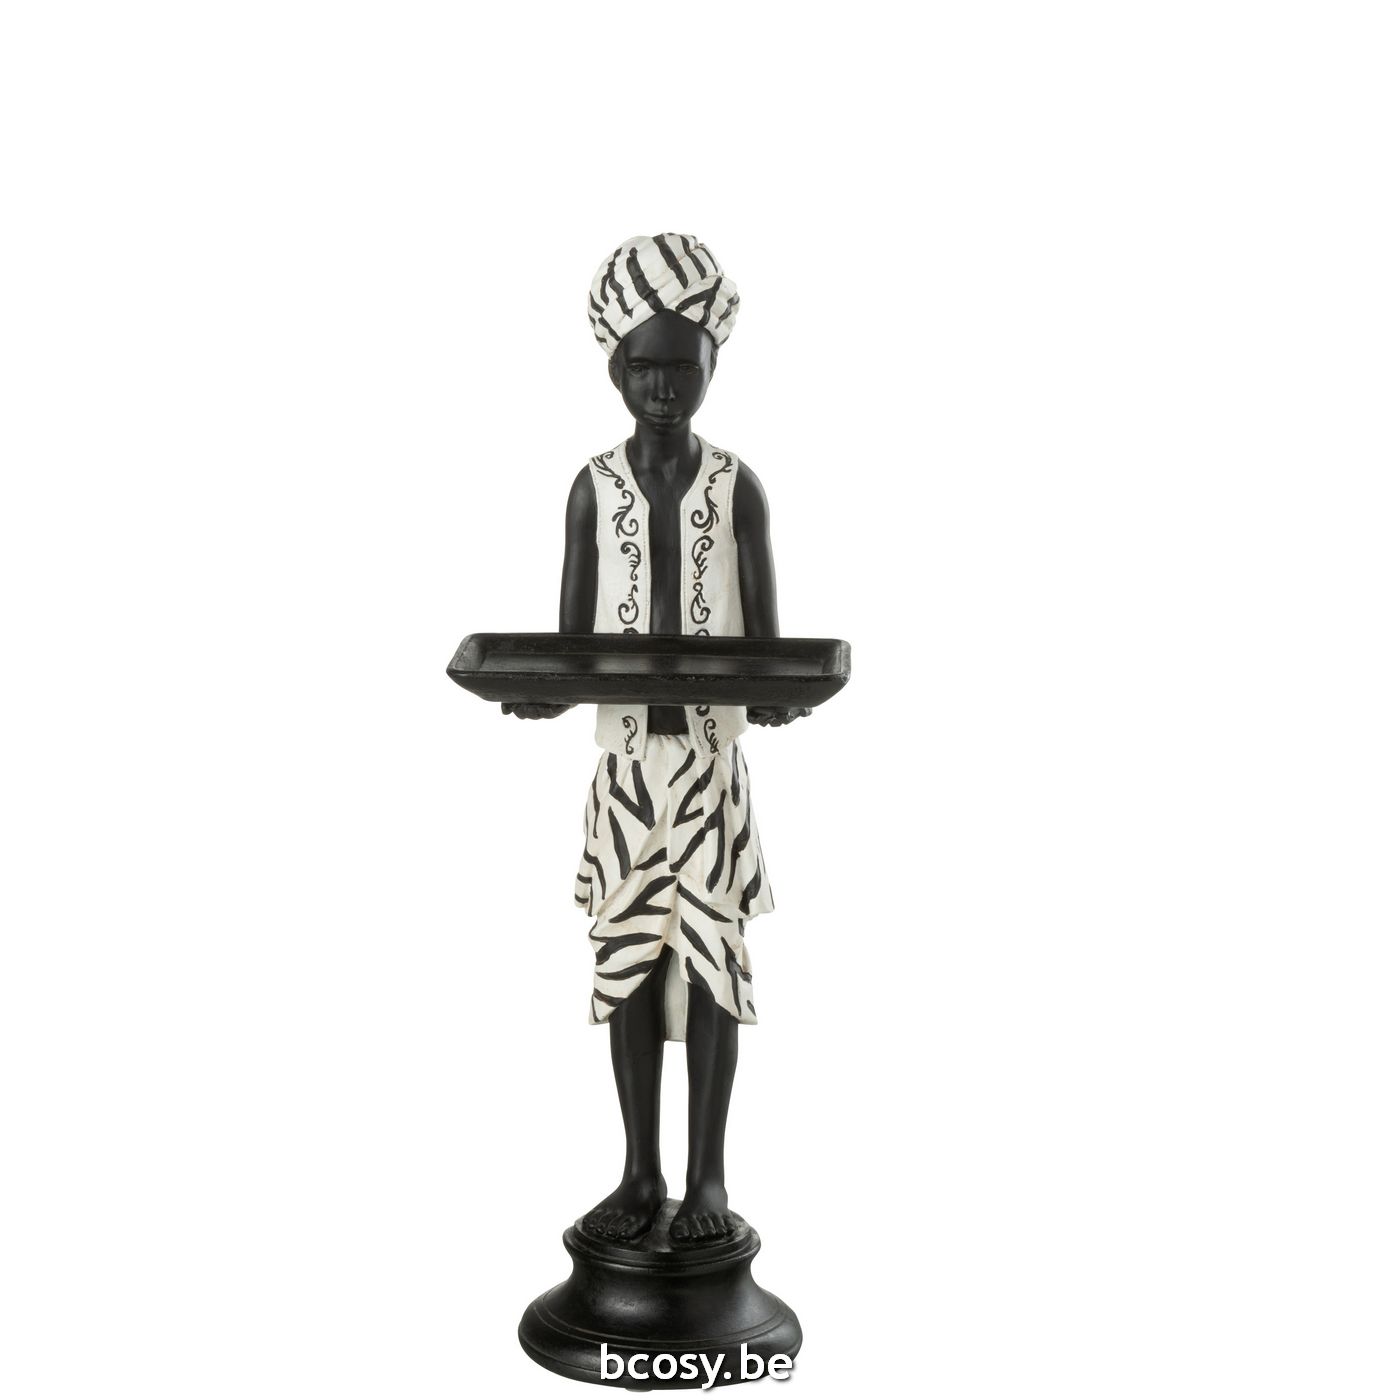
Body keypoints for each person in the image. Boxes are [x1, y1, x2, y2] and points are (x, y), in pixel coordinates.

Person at [505, 235, 808, 1244]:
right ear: (614, 367)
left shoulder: (737, 487)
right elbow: (570, 644)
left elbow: (767, 644)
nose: (663, 387)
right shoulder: (592, 487)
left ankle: (706, 1180)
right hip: (628, 767)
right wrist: (544, 696)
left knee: (714, 958)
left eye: (681, 366)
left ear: (713, 362)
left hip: (713, 767)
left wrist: (780, 698)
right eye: (643, 366)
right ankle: (639, 1173)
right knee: (627, 956)